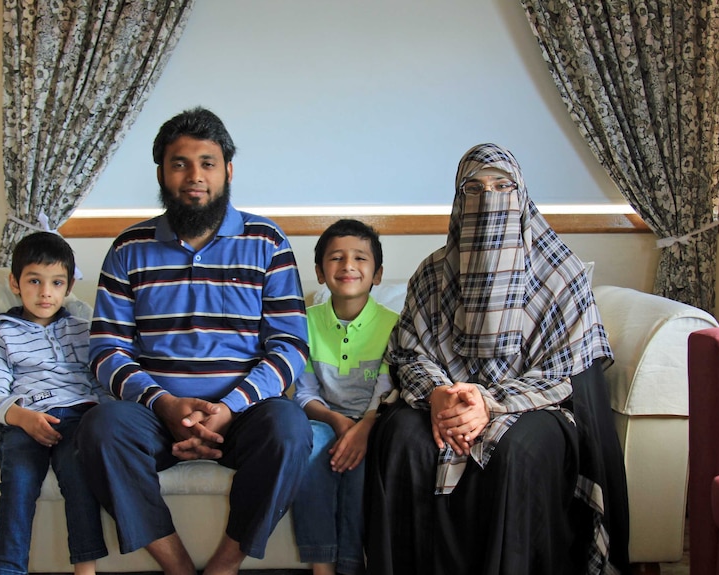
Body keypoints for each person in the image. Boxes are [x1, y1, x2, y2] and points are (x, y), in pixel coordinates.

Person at [364, 143, 629, 575]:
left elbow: (567, 372)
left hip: (534, 405)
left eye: (502, 186)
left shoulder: (563, 274)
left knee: (516, 452)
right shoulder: (432, 273)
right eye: (473, 188)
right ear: (457, 201)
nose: (488, 198)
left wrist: (490, 403)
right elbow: (410, 352)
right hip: (444, 400)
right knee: (402, 442)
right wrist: (438, 396)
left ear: (521, 195)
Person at [76, 106, 312, 575]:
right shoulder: (129, 248)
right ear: (162, 173)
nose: (194, 176)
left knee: (290, 431)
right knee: (100, 429)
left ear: (228, 170)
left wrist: (228, 409)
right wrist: (164, 404)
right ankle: (178, 566)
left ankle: (225, 565)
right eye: (179, 163)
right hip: (155, 416)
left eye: (207, 162)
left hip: (244, 414)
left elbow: (289, 346)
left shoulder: (267, 241)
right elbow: (106, 350)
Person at [0, 231, 110, 575]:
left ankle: (85, 569)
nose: (45, 292)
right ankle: (7, 569)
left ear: (68, 287)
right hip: (27, 419)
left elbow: (100, 383)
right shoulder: (4, 333)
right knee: (18, 482)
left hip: (79, 418)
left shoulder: (83, 330)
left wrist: (101, 415)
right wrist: (23, 418)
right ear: (15, 282)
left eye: (56, 283)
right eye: (34, 281)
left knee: (80, 476)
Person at [291, 219, 399, 575]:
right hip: (323, 418)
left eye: (360, 258)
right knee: (311, 449)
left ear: (378, 274)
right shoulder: (303, 323)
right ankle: (321, 565)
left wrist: (362, 429)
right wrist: (337, 422)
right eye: (336, 258)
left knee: (361, 464)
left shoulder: (395, 325)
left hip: (375, 421)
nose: (348, 266)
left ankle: (351, 565)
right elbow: (304, 392)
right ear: (321, 273)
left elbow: (387, 391)